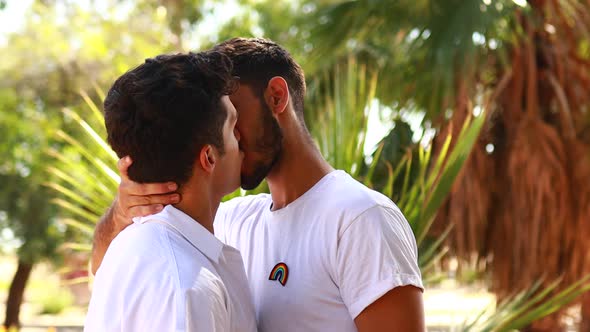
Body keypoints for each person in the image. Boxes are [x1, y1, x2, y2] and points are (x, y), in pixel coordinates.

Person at [92, 38, 425, 332]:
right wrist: (123, 213)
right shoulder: (225, 221)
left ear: (276, 97)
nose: (229, 134)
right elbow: (113, 275)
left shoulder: (360, 218)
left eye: (232, 116)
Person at [84, 51, 257, 332]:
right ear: (209, 158)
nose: (243, 138)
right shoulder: (185, 287)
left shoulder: (131, 247)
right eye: (233, 127)